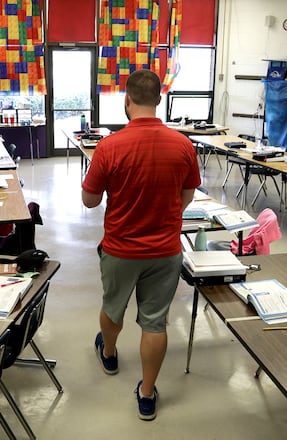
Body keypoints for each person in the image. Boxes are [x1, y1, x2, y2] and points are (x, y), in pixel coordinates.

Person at [81, 69, 201, 420]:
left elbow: (89, 201)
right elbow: (188, 194)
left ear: (127, 100)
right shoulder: (182, 144)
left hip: (121, 249)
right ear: (159, 100)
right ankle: (147, 394)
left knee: (112, 307)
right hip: (165, 251)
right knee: (155, 322)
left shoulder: (109, 146)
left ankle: (110, 353)